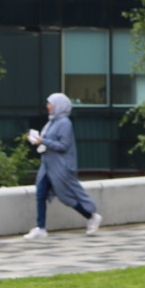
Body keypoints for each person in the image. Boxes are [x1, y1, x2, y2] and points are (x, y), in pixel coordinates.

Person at [24, 92, 101, 239]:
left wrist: (43, 141)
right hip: (47, 164)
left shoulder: (65, 123)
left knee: (66, 196)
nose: (48, 106)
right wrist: (39, 140)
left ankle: (91, 216)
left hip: (60, 166)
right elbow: (49, 141)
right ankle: (41, 228)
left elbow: (64, 146)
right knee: (40, 193)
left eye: (50, 104)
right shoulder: (52, 122)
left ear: (58, 106)